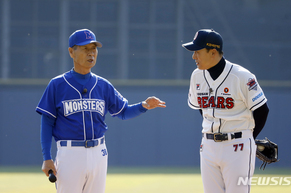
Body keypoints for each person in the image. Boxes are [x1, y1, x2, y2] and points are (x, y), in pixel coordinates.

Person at [36, 29, 166, 193]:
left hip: (99, 153)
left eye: (94, 49)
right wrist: (46, 158)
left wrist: (144, 105)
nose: (91, 53)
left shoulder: (103, 85)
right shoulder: (57, 84)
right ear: (71, 52)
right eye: (85, 49)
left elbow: (123, 112)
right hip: (69, 154)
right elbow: (47, 122)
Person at [182, 29, 269, 193]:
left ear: (213, 52)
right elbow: (203, 108)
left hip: (237, 145)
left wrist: (249, 138)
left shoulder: (242, 76)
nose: (194, 57)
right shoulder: (196, 76)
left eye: (198, 52)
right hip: (208, 145)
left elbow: (262, 110)